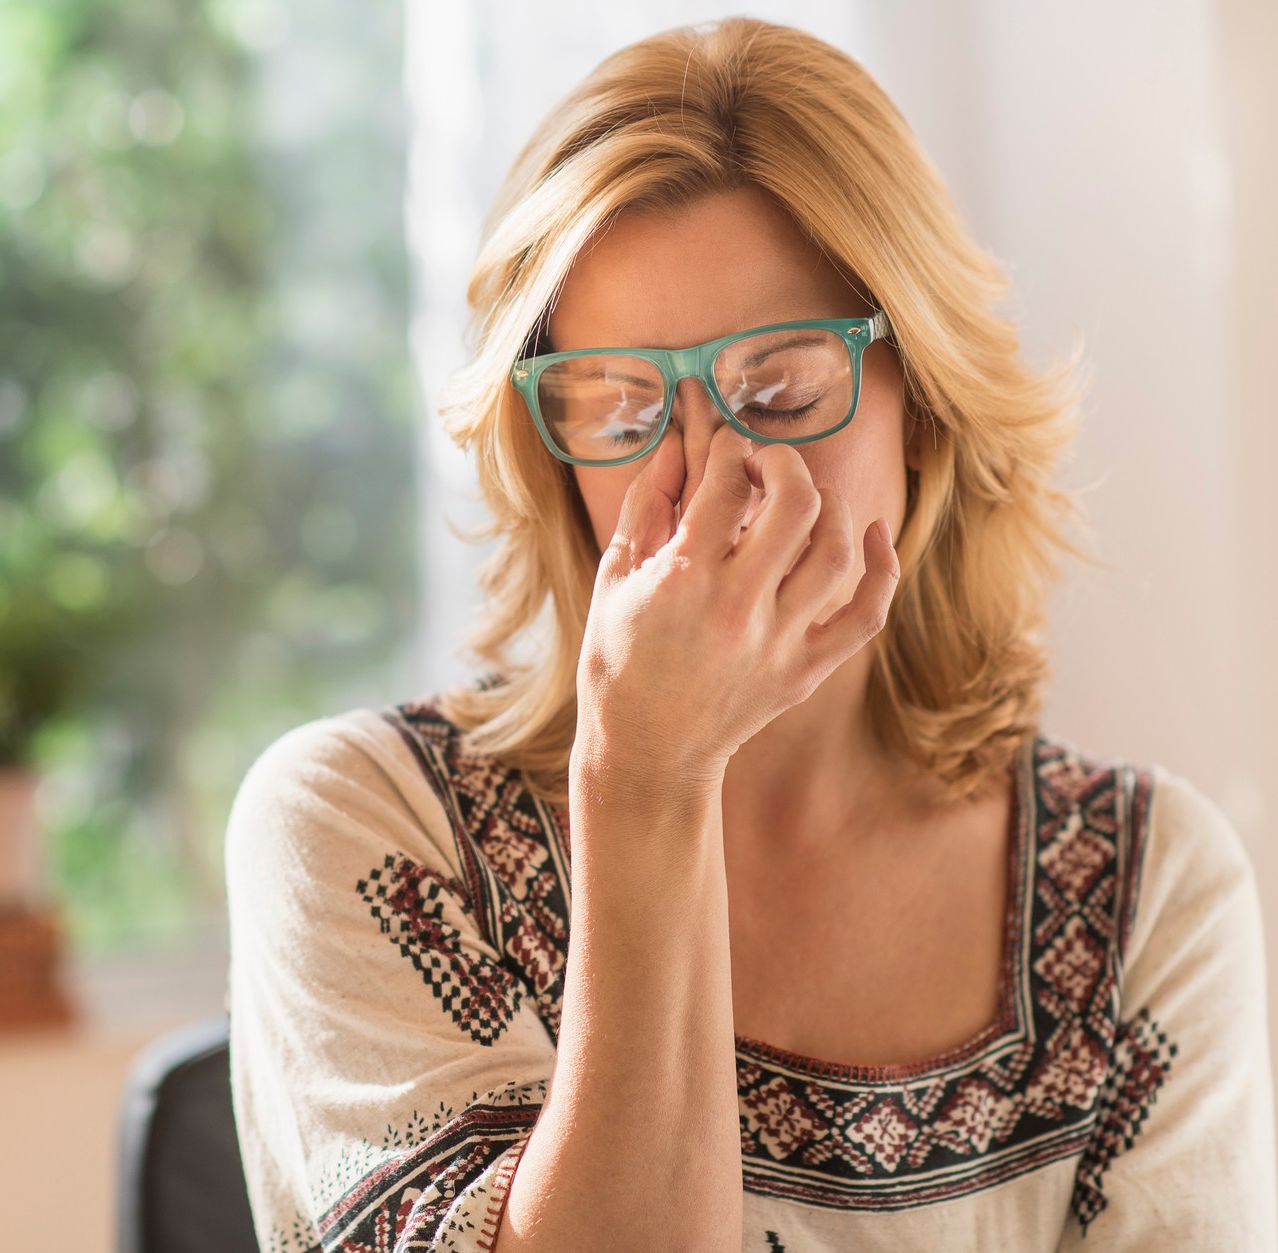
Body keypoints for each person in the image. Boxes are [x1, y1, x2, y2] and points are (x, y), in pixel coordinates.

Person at [223, 17, 1276, 1252]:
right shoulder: (364, 830)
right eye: (621, 410)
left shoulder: (1145, 894)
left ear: (924, 404)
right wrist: (647, 780)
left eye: (778, 392)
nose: (705, 476)